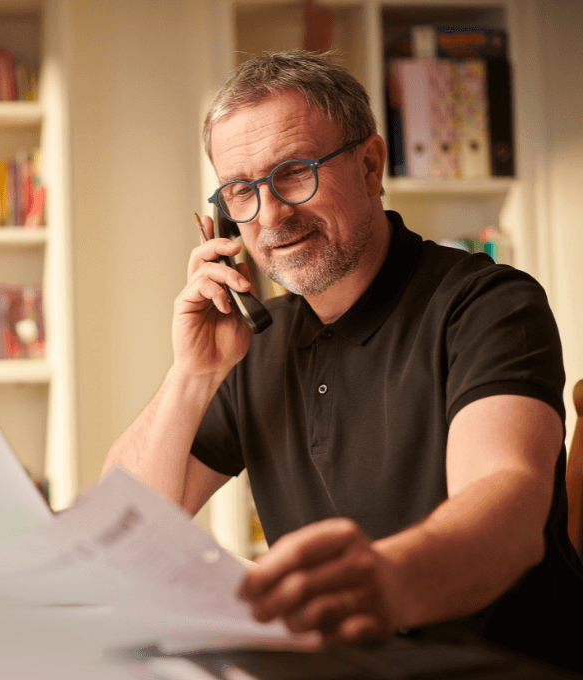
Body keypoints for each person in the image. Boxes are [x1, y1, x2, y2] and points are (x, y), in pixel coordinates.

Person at [102, 50, 583, 672]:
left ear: (370, 166)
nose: (270, 215)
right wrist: (192, 375)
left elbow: (507, 506)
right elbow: (119, 526)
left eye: (295, 173)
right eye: (241, 191)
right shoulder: (255, 344)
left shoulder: (486, 304)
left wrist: (385, 583)